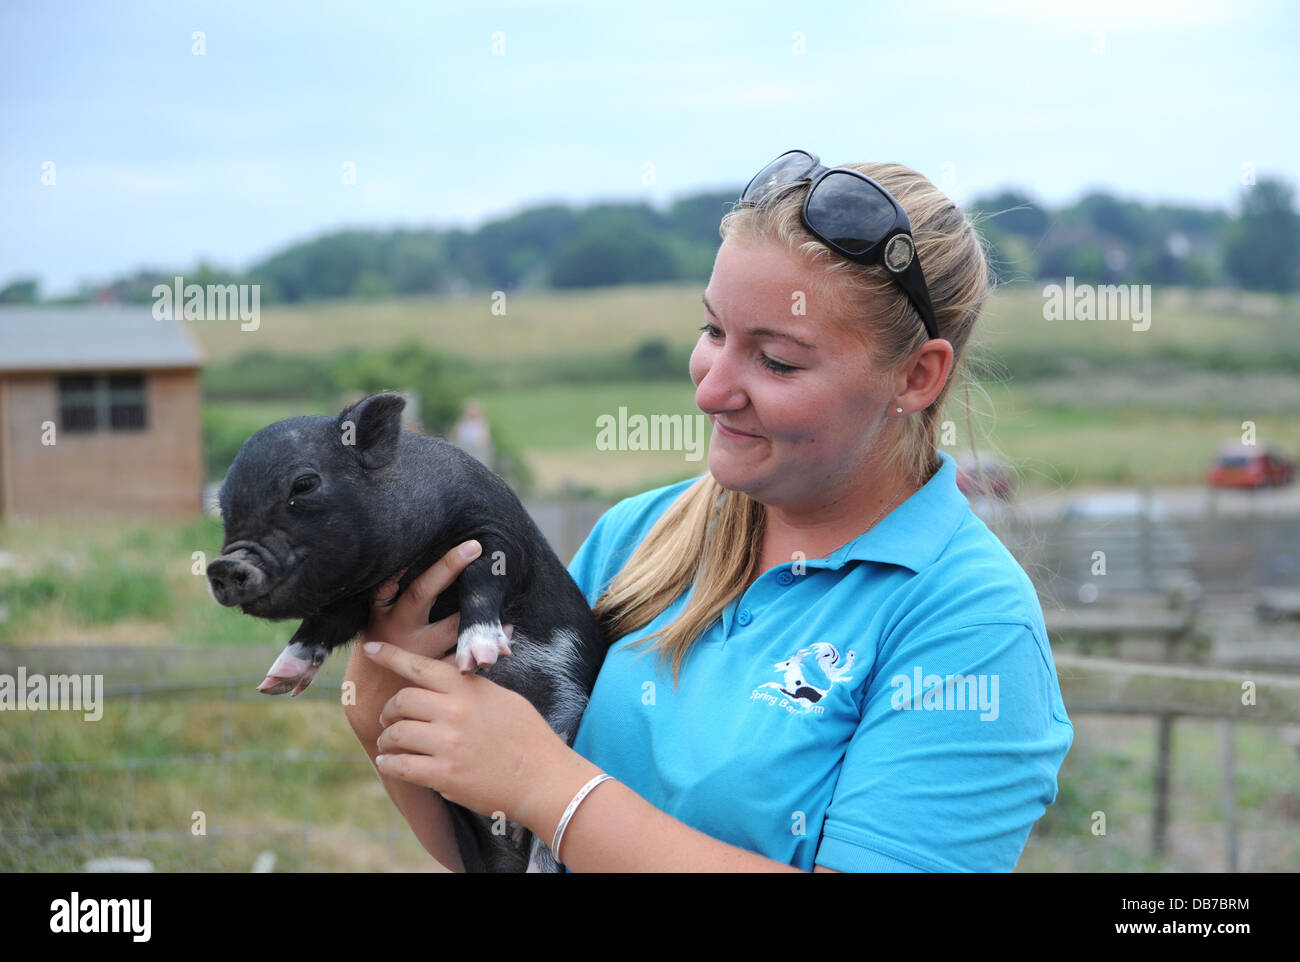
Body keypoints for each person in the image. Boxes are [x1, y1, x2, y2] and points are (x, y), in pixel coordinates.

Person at [342, 150, 1074, 872]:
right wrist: (386, 708)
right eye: (714, 332)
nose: (710, 389)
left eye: (777, 360)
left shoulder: (972, 623)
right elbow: (502, 850)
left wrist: (550, 788)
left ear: (917, 376)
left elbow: (534, 786)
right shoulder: (638, 537)